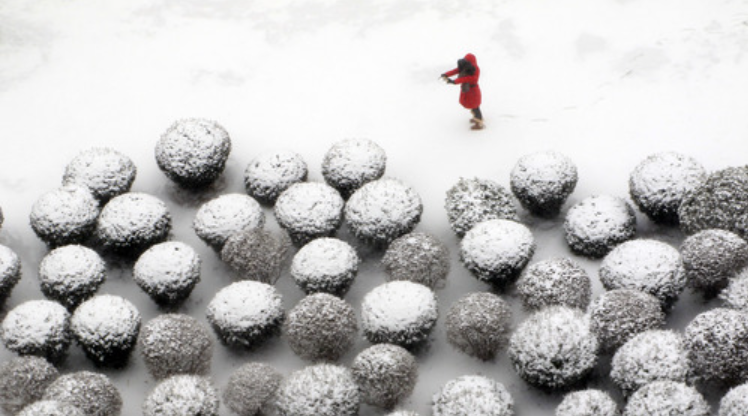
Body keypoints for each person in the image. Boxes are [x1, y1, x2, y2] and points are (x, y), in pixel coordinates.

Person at [441, 53, 483, 130]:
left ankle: (479, 122)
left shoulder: (475, 71)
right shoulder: (467, 68)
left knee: (475, 106)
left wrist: (454, 81)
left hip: (473, 92)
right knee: (473, 106)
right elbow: (456, 70)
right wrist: (446, 74)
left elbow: (467, 79)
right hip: (468, 91)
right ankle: (476, 118)